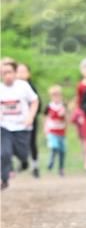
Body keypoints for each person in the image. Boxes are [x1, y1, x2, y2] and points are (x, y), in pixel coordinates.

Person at [0, 58, 39, 190]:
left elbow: (34, 101)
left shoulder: (23, 86)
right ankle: (4, 179)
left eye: (9, 72)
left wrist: (30, 117)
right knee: (4, 153)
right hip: (5, 126)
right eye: (4, 73)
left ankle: (24, 161)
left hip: (22, 126)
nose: (7, 75)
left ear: (15, 73)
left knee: (22, 153)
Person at [16, 63, 40, 177]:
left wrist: (31, 116)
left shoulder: (31, 87)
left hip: (30, 120)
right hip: (15, 122)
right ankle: (22, 162)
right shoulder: (11, 87)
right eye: (18, 71)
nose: (20, 74)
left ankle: (35, 166)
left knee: (32, 142)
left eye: (23, 71)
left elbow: (38, 104)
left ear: (28, 74)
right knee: (15, 143)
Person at [44, 84, 67, 175]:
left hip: (61, 131)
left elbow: (67, 118)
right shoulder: (49, 106)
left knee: (62, 151)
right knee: (54, 146)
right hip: (52, 130)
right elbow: (45, 118)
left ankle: (61, 168)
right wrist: (45, 128)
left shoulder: (63, 106)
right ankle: (51, 161)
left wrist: (64, 114)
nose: (56, 97)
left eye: (58, 95)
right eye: (54, 95)